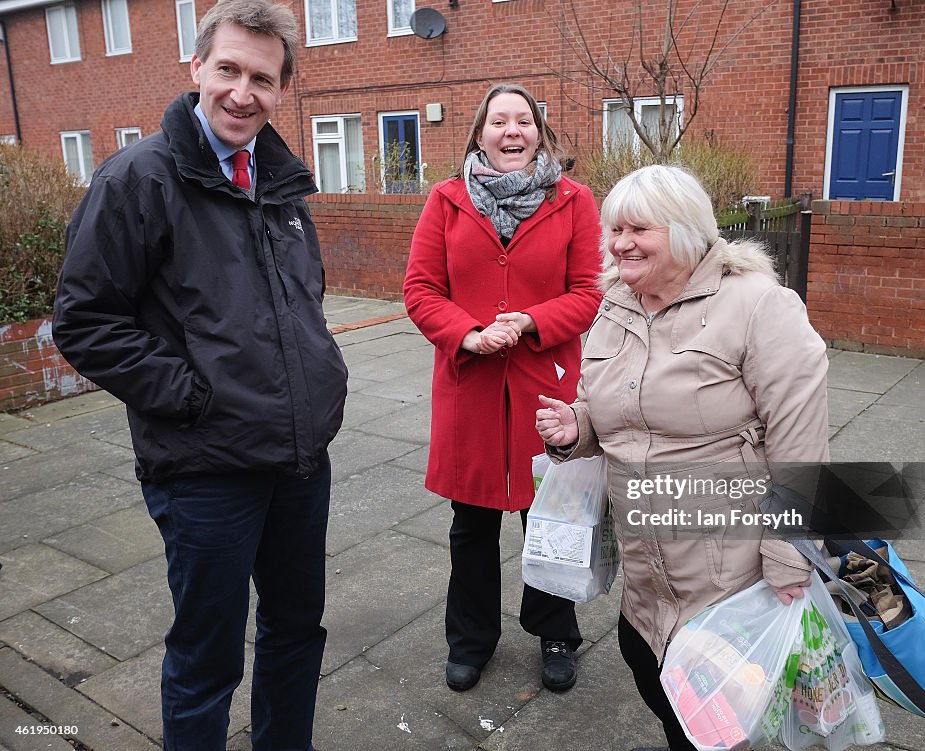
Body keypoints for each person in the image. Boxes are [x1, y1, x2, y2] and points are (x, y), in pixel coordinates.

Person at [51, 1, 347, 748]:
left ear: (283, 89)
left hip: (298, 462)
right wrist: (191, 397)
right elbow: (86, 321)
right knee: (207, 659)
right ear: (195, 69)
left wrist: (320, 377)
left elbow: (296, 303)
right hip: (205, 469)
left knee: (294, 634)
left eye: (263, 78)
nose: (243, 93)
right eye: (229, 70)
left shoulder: (277, 182)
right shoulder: (137, 178)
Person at [535, 165, 829, 751]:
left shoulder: (758, 306)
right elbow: (603, 404)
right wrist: (576, 428)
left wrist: (790, 552)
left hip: (730, 565)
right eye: (614, 230)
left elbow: (802, 441)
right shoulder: (616, 304)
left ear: (686, 230)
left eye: (637, 228)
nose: (619, 243)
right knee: (654, 678)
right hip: (646, 567)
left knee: (725, 714)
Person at [403, 83, 603, 693]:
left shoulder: (574, 201)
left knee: (549, 517)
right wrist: (468, 335)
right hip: (472, 390)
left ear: (539, 132)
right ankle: (470, 640)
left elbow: (590, 292)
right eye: (499, 122)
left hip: (547, 387)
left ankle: (556, 635)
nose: (511, 131)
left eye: (523, 121)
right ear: (479, 133)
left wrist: (531, 322)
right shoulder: (445, 200)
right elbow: (420, 291)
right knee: (471, 528)